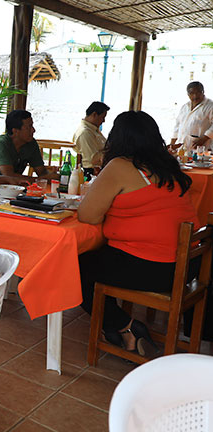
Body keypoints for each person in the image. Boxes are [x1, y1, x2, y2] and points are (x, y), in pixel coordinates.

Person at [77, 111, 197, 356]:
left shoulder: (120, 166)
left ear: (117, 138)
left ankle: (126, 326)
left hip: (150, 268)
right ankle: (117, 331)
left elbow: (87, 215)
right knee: (99, 261)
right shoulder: (169, 168)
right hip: (187, 267)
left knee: (73, 267)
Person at [0, 109, 59, 190]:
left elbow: (42, 172)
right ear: (15, 131)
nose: (33, 130)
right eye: (29, 127)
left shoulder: (31, 143)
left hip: (12, 190)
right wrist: (40, 179)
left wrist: (52, 175)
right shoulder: (0, 144)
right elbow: (9, 176)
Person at [170, 81, 213, 152]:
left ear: (203, 92)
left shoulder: (210, 106)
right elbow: (177, 126)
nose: (195, 96)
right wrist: (172, 144)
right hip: (182, 149)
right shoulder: (185, 107)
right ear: (188, 94)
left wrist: (204, 138)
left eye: (198, 92)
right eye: (192, 93)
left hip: (201, 150)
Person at [73, 101, 110, 177]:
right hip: (92, 173)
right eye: (102, 117)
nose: (103, 121)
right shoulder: (85, 133)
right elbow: (93, 160)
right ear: (94, 115)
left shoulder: (93, 130)